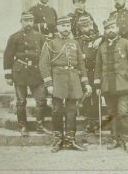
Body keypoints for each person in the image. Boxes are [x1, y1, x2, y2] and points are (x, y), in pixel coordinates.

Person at [39, 15, 92, 153]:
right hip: (57, 80)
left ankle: (70, 139)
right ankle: (58, 139)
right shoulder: (50, 43)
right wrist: (49, 84)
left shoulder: (75, 43)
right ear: (57, 27)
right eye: (63, 26)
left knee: (72, 111)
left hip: (73, 80)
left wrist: (85, 83)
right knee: (57, 110)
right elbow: (43, 64)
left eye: (68, 26)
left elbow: (81, 64)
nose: (66, 29)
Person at [94, 18, 128, 154]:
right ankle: (114, 139)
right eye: (107, 28)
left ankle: (126, 140)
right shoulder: (102, 47)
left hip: (123, 84)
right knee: (111, 114)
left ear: (117, 29)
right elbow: (98, 67)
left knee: (123, 112)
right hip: (107, 86)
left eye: (113, 27)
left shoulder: (126, 43)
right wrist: (97, 85)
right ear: (105, 31)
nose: (110, 30)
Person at [3, 11, 51, 136]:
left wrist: (46, 74)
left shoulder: (40, 36)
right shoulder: (14, 37)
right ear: (21, 22)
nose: (28, 23)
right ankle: (22, 126)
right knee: (21, 101)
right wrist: (8, 76)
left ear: (33, 22)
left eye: (30, 20)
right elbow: (8, 56)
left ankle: (40, 126)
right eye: (26, 20)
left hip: (36, 72)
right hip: (20, 72)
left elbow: (45, 56)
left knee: (41, 100)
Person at [75, 15, 102, 134]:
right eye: (85, 26)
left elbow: (113, 36)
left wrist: (101, 38)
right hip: (85, 73)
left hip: (97, 73)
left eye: (90, 25)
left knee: (96, 98)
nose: (89, 28)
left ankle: (97, 124)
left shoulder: (100, 38)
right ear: (81, 28)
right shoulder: (78, 41)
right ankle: (89, 121)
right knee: (86, 97)